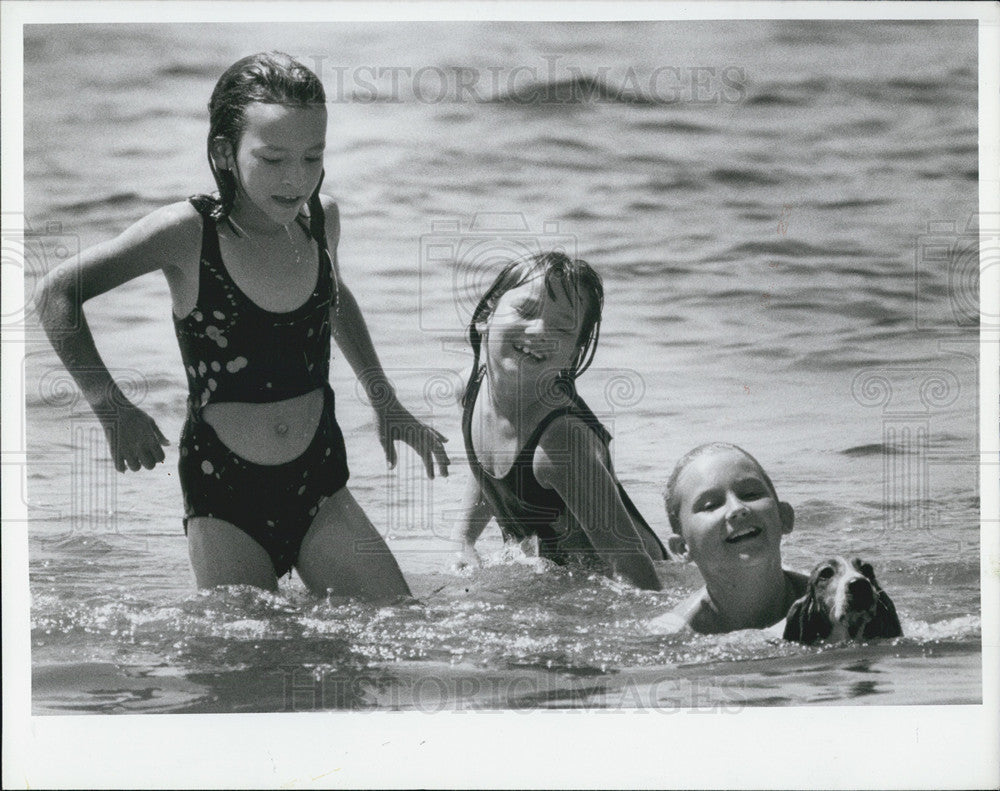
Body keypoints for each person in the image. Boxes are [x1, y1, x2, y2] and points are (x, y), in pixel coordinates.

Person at [37, 52, 449, 599]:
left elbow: (334, 300)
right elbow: (57, 293)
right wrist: (111, 407)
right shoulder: (187, 233)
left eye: (312, 156)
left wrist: (386, 402)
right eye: (273, 159)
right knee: (245, 670)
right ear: (224, 153)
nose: (296, 178)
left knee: (398, 628)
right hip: (225, 492)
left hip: (320, 478)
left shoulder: (322, 219)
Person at [452, 251, 667, 591]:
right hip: (563, 575)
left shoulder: (561, 443)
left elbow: (629, 561)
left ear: (573, 354)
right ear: (486, 315)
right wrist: (465, 539)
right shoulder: (471, 386)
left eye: (562, 328)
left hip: (629, 573)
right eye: (525, 310)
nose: (539, 331)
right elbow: (490, 464)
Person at [652, 442, 807, 633]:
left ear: (784, 517)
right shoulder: (675, 634)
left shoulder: (836, 600)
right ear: (683, 547)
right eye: (710, 505)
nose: (737, 509)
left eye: (750, 494)